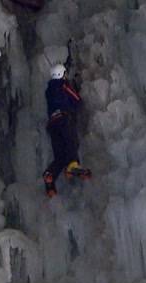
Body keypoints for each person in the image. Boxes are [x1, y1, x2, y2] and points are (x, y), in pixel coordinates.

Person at [43, 63, 91, 197]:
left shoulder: (48, 91)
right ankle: (73, 165)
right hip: (64, 119)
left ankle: (50, 175)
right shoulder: (63, 85)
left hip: (52, 124)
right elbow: (76, 99)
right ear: (61, 75)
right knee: (72, 143)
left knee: (60, 155)